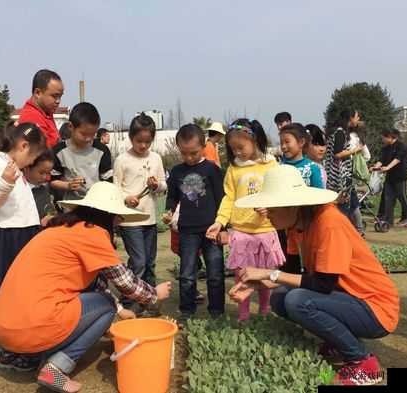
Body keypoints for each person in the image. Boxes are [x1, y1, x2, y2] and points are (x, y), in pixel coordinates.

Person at [0, 182, 172, 393]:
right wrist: (154, 295)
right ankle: (56, 367)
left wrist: (121, 310)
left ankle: (23, 354)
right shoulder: (93, 234)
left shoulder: (62, 229)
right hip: (33, 326)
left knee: (104, 303)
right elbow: (125, 283)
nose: (118, 222)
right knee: (106, 305)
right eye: (117, 217)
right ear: (108, 215)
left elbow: (95, 284)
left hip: (6, 329)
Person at [230, 165, 399, 386]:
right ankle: (338, 342)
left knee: (297, 300)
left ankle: (363, 363)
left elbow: (322, 284)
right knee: (280, 297)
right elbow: (291, 275)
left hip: (377, 309)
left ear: (291, 205)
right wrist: (256, 285)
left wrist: (269, 273)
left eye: (270, 209)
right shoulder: (294, 226)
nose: (264, 215)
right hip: (349, 299)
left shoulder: (328, 222)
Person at [205, 119, 283, 321]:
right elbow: (229, 197)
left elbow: (278, 193)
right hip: (241, 231)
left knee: (265, 274)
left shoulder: (271, 164)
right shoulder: (233, 169)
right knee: (243, 276)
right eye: (233, 149)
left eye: (241, 147)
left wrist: (272, 208)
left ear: (255, 140)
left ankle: (265, 310)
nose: (237, 152)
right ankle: (243, 314)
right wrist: (220, 222)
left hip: (265, 229)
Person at [0, 123, 46, 294]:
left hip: (22, 232)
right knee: (9, 287)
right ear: (24, 146)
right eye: (33, 156)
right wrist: (5, 183)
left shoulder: (16, 169)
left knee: (23, 285)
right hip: (5, 235)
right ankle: (9, 317)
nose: (32, 161)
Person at [163, 124, 225, 325]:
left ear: (202, 147)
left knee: (215, 273)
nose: (189, 157)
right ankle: (187, 310)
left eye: (194, 153)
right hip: (187, 230)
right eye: (184, 153)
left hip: (211, 229)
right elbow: (172, 196)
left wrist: (223, 227)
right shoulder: (177, 171)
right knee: (187, 273)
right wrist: (169, 211)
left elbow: (221, 198)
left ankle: (217, 311)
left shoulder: (212, 169)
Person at [113, 113, 167, 316]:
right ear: (130, 137)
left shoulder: (156, 158)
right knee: (139, 262)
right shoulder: (122, 160)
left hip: (150, 218)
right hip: (130, 219)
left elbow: (163, 186)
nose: (143, 146)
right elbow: (116, 189)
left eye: (147, 142)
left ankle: (151, 299)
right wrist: (126, 198)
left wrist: (156, 185)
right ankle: (130, 301)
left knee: (150, 262)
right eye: (139, 141)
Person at [51, 103, 112, 202]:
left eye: (92, 134)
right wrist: (68, 185)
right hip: (70, 207)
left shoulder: (101, 150)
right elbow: (52, 180)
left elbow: (108, 180)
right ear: (71, 127)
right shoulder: (59, 151)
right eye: (83, 134)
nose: (88, 138)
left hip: (97, 205)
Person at [372, 128, 407, 227]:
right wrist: (375, 166)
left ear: (390, 137)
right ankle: (388, 221)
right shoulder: (386, 148)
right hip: (389, 178)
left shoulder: (402, 146)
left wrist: (387, 167)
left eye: (383, 137)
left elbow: (397, 159)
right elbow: (382, 160)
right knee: (388, 199)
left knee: (403, 198)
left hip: (400, 177)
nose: (382, 139)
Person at [324, 109, 363, 217]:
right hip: (340, 174)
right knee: (344, 205)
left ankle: (358, 230)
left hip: (334, 172)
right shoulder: (340, 132)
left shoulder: (335, 131)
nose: (358, 119)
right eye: (356, 117)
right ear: (350, 118)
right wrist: (355, 150)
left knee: (352, 203)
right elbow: (337, 153)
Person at [18, 69, 64, 148]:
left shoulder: (46, 113)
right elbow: (42, 153)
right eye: (54, 96)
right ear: (37, 93)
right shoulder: (31, 117)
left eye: (60, 96)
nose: (58, 101)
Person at [279, 123, 324, 188]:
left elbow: (320, 194)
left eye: (287, 142)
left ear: (301, 142)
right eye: (281, 143)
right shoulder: (279, 168)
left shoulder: (312, 168)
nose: (283, 146)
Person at [23, 149, 55, 227]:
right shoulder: (20, 191)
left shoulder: (43, 189)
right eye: (41, 173)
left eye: (48, 173)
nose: (45, 177)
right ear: (26, 168)